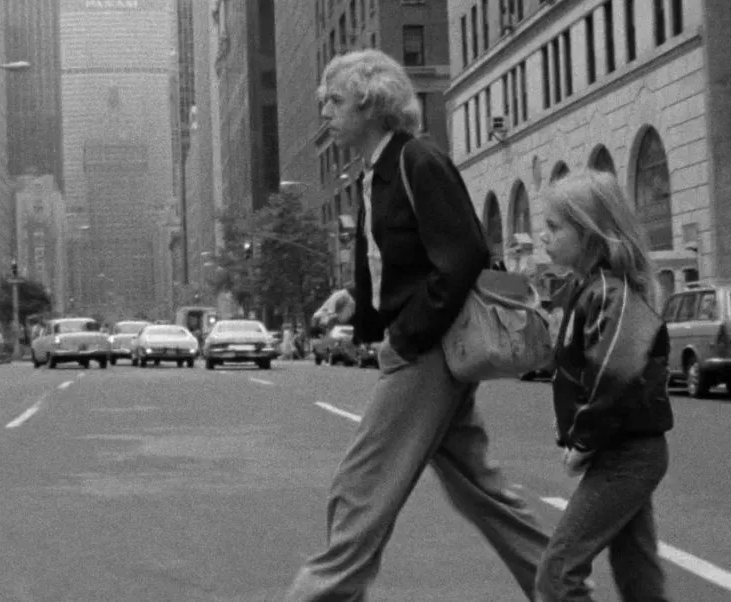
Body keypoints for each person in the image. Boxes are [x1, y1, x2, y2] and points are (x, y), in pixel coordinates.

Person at [284, 49, 550, 601]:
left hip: (428, 352)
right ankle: (564, 589)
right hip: (432, 348)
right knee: (483, 493)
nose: (325, 113)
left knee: (360, 490)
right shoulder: (375, 171)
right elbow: (408, 263)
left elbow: (463, 254)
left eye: (335, 101)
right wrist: (357, 299)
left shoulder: (418, 161)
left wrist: (405, 339)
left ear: (371, 104)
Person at [535, 170, 675, 601]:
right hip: (627, 447)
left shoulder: (611, 294)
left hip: (625, 451)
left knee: (558, 575)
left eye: (554, 227)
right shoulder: (593, 290)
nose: (543, 237)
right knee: (637, 572)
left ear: (591, 233)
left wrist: (583, 438)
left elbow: (615, 373)